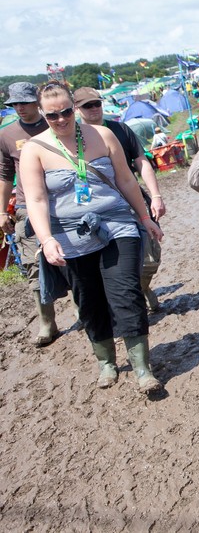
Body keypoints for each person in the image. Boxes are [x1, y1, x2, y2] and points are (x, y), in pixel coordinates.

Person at [19, 80, 164, 393]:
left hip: (116, 225)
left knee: (125, 292)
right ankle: (106, 362)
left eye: (66, 112)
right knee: (89, 301)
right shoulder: (34, 150)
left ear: (74, 107)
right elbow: (37, 199)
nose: (61, 120)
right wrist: (46, 239)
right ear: (42, 115)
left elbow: (126, 179)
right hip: (70, 236)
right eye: (52, 115)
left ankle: (142, 369)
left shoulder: (102, 135)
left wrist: (144, 217)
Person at [74, 87, 166, 312]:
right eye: (87, 105)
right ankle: (120, 305)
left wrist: (155, 195)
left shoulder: (120, 129)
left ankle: (141, 287)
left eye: (97, 103)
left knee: (151, 255)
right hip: (93, 207)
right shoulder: (71, 137)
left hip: (131, 200)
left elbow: (141, 162)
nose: (94, 109)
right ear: (76, 108)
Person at [0, 82, 62, 346]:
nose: (20, 108)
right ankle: (47, 321)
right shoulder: (6, 134)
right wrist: (2, 210)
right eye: (15, 104)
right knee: (33, 266)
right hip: (27, 206)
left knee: (76, 260)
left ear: (37, 101)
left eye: (24, 102)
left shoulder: (56, 123)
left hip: (63, 201)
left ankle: (85, 312)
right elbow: (4, 175)